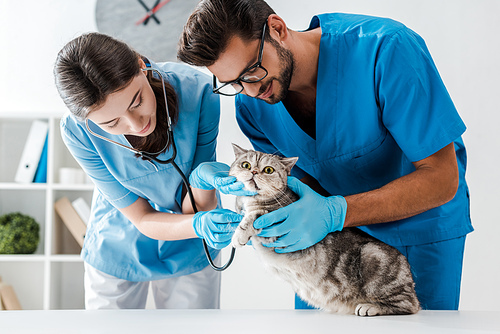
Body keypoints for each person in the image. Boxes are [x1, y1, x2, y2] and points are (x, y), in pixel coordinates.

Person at [177, 0, 473, 310]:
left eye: (251, 71)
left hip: (415, 229)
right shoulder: (253, 106)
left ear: (277, 29)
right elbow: (289, 191)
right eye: (234, 83)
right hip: (324, 250)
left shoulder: (385, 49)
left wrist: (335, 213)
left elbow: (442, 178)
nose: (250, 91)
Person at [54, 32, 249, 309]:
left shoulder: (198, 92)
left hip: (190, 240)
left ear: (141, 66)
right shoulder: (77, 132)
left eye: (137, 102)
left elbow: (195, 207)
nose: (136, 125)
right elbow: (142, 218)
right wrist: (197, 223)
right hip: (119, 238)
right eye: (111, 124)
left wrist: (204, 190)